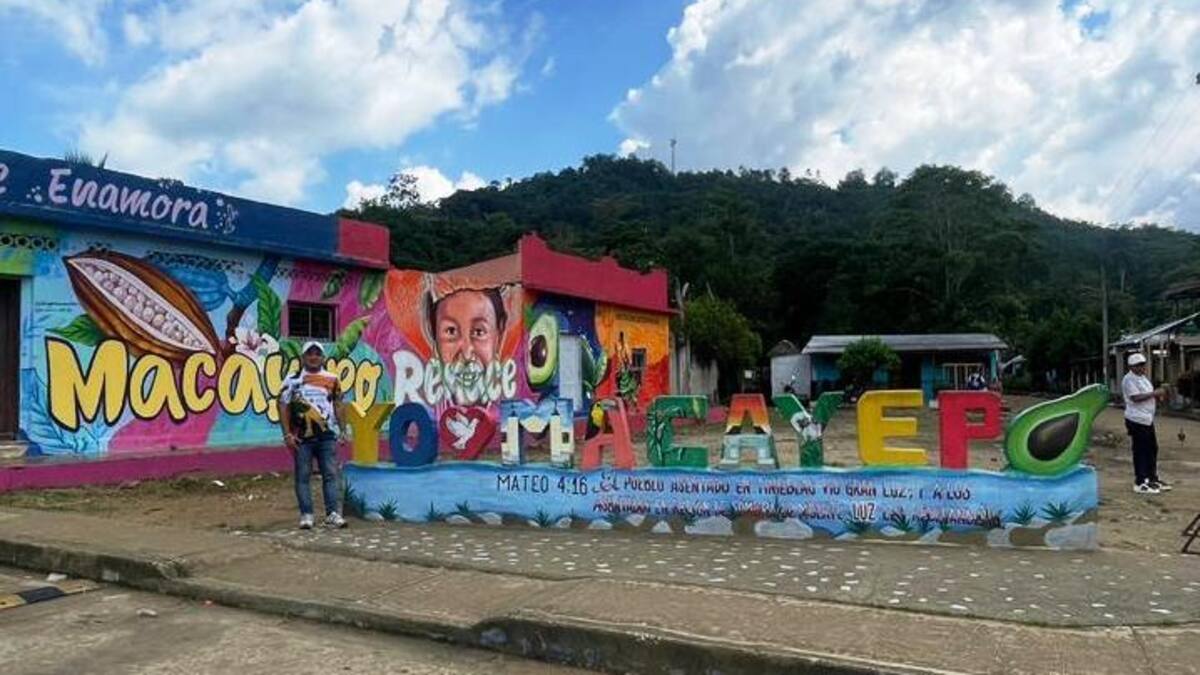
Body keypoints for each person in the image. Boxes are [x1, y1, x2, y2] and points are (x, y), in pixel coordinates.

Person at [279, 341, 348, 528]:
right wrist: (287, 434)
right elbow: (283, 405)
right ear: (303, 357)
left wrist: (343, 430)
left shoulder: (332, 379)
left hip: (327, 436)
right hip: (301, 438)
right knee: (302, 476)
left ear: (323, 357)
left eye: (317, 354)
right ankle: (307, 515)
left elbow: (339, 404)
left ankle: (332, 514)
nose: (313, 357)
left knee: (331, 474)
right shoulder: (292, 380)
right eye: (309, 354)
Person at [1122, 353, 1172, 495]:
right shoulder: (1129, 379)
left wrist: (1159, 396)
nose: (1141, 367)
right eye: (1138, 365)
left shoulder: (1143, 378)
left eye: (1143, 364)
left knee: (1152, 449)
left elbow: (1149, 395)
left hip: (1147, 419)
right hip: (1136, 419)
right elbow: (1135, 397)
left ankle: (1152, 478)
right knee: (1141, 450)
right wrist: (1155, 393)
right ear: (1131, 367)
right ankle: (1140, 481)